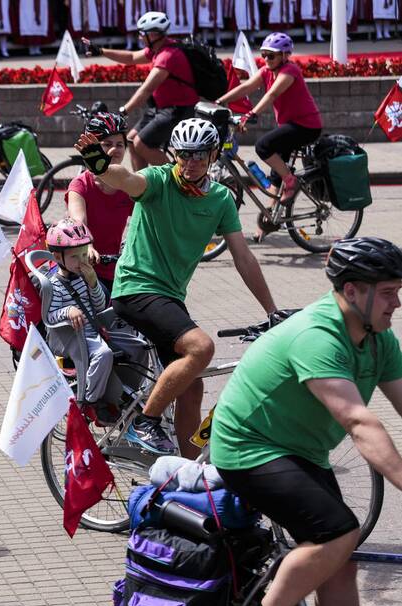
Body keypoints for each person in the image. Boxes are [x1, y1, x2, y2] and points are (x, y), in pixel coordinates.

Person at [209, 236, 402, 606]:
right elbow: (361, 423)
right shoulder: (317, 335)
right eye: (389, 292)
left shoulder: (379, 339)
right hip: (248, 447)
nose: (397, 302)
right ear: (353, 291)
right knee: (337, 533)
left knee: (343, 562)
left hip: (300, 449)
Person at [74, 118, 280, 458]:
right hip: (135, 289)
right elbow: (124, 179)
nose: (191, 162)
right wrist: (99, 163)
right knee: (200, 348)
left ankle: (188, 477)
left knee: (191, 388)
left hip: (169, 297)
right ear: (174, 154)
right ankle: (146, 422)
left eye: (200, 155)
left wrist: (271, 311)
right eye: (184, 154)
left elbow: (243, 257)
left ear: (214, 155)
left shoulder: (220, 200)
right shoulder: (157, 181)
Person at [218, 32, 322, 214]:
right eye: (264, 54)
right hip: (290, 126)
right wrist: (219, 101)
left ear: (284, 55)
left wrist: (250, 115)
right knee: (276, 177)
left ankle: (292, 182)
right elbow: (246, 87)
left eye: (271, 55)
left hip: (306, 126)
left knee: (263, 146)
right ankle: (268, 222)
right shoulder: (267, 71)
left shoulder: (290, 71)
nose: (266, 59)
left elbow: (272, 94)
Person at [82, 12, 198, 171]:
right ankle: (142, 189)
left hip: (177, 110)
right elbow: (131, 57)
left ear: (153, 34)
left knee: (141, 144)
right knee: (130, 140)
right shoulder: (158, 48)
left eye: (142, 33)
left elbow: (146, 89)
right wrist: (101, 51)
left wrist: (123, 112)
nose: (139, 37)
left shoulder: (168, 56)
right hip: (160, 108)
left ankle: (181, 180)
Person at [43, 219, 121, 421]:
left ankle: (118, 395)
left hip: (93, 331)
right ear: (57, 257)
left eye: (84, 254)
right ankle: (91, 400)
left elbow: (100, 306)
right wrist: (67, 311)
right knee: (104, 354)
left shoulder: (83, 277)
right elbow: (49, 316)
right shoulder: (54, 285)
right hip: (72, 337)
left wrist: (94, 283)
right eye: (74, 257)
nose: (82, 261)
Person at [66, 111, 135, 295]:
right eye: (107, 144)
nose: (115, 150)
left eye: (120, 144)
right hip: (81, 268)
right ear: (93, 148)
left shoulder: (128, 185)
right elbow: (78, 222)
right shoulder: (80, 185)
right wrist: (88, 246)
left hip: (116, 268)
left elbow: (146, 217)